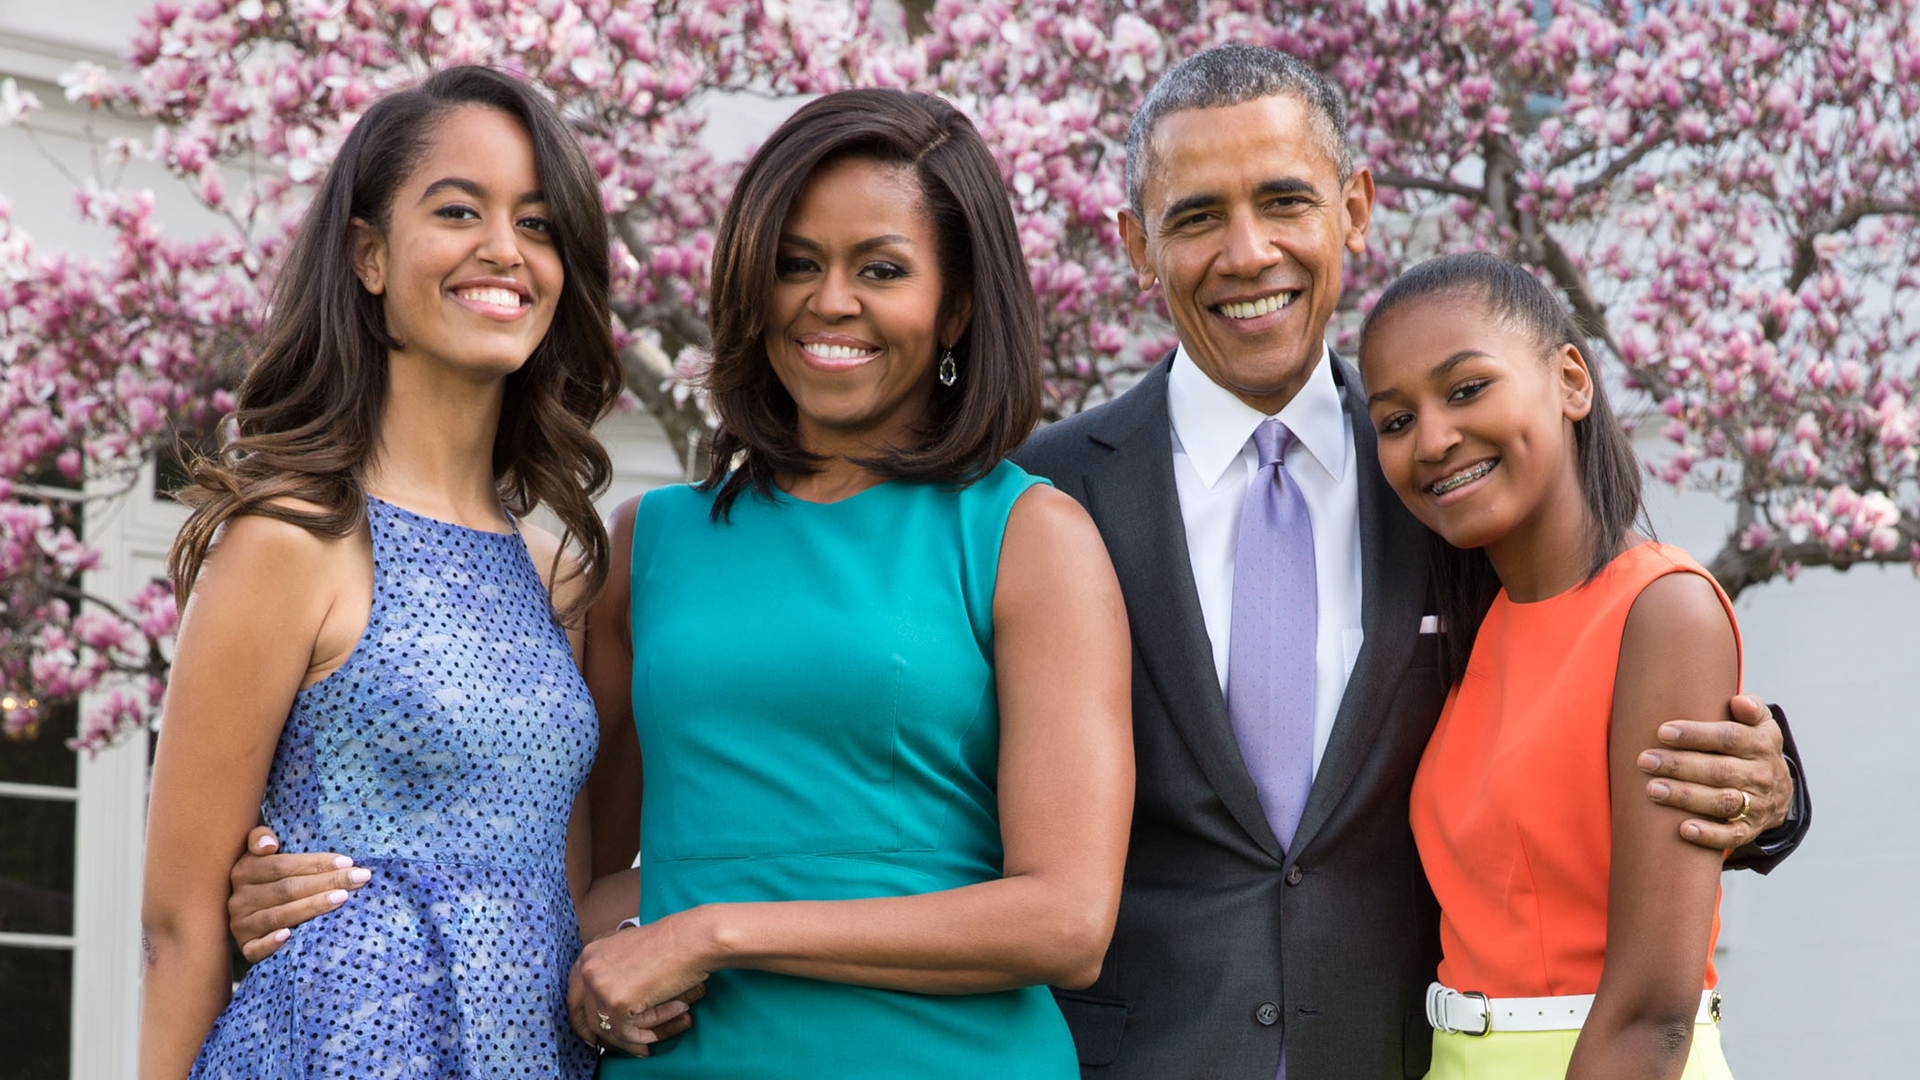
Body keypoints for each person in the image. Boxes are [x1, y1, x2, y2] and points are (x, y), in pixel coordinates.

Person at [1011, 45, 1809, 1078]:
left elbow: (1593, 665)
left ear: (1355, 209)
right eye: (1197, 216)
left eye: (1285, 201)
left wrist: (1768, 799)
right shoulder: (1044, 496)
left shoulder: (1459, 486)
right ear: (1134, 246)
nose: (1248, 253)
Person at [563, 86, 1133, 1077]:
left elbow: (1067, 920)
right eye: (795, 265)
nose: (830, 301)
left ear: (954, 306)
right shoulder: (646, 544)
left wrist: (712, 931)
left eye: (881, 268)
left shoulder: (1030, 538)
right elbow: (570, 876)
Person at [139, 66, 628, 1078]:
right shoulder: (289, 541)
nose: (504, 249)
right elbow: (181, 926)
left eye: (539, 226)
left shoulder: (561, 584)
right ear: (369, 253)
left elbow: (564, 897)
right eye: (460, 211)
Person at [1360, 252, 1739, 1078]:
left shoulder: (1663, 609)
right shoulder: (1475, 631)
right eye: (1394, 421)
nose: (1432, 439)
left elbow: (1652, 1014)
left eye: (1466, 390)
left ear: (1572, 381)